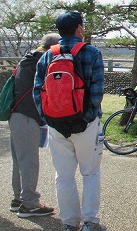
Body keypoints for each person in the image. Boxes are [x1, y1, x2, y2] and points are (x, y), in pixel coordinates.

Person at [33, 12, 106, 231]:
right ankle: (90, 222)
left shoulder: (47, 56)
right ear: (79, 28)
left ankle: (69, 223)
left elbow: (38, 92)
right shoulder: (91, 53)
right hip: (85, 125)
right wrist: (87, 118)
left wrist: (50, 118)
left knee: (63, 175)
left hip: (56, 125)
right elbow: (97, 92)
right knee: (90, 173)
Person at [9, 33, 60, 217]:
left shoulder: (27, 58)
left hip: (15, 114)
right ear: (53, 47)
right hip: (28, 115)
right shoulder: (42, 61)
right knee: (30, 161)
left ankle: (18, 199)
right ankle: (29, 204)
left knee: (19, 160)